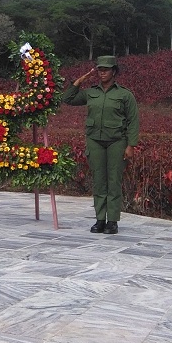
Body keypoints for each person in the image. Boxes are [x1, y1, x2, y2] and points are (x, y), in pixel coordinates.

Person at [62, 55, 139, 234]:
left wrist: (131, 145)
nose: (102, 72)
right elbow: (67, 98)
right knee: (98, 181)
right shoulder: (91, 92)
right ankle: (100, 220)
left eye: (106, 69)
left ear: (114, 71)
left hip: (117, 141)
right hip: (95, 140)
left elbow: (133, 121)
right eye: (99, 69)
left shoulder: (124, 94)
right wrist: (82, 79)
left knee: (114, 180)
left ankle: (112, 221)